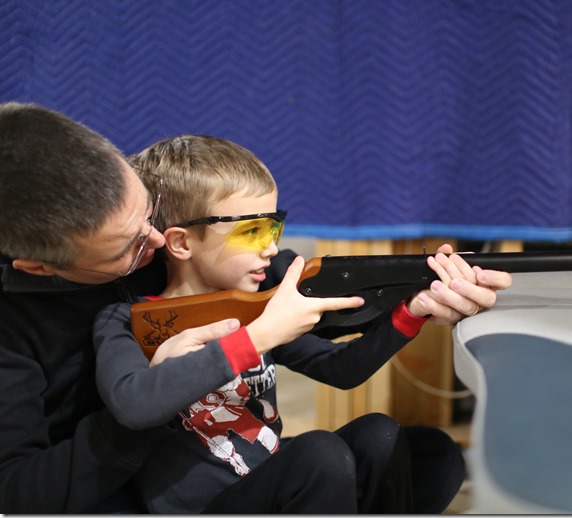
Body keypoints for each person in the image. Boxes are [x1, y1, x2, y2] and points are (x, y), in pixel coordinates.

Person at [0, 102, 512, 514]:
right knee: (321, 457)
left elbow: (317, 317)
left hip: (260, 469)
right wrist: (251, 340)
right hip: (135, 494)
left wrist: (413, 298)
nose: (154, 242)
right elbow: (33, 486)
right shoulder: (95, 322)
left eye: (149, 215)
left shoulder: (205, 261)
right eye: (129, 247)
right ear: (39, 267)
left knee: (414, 450)